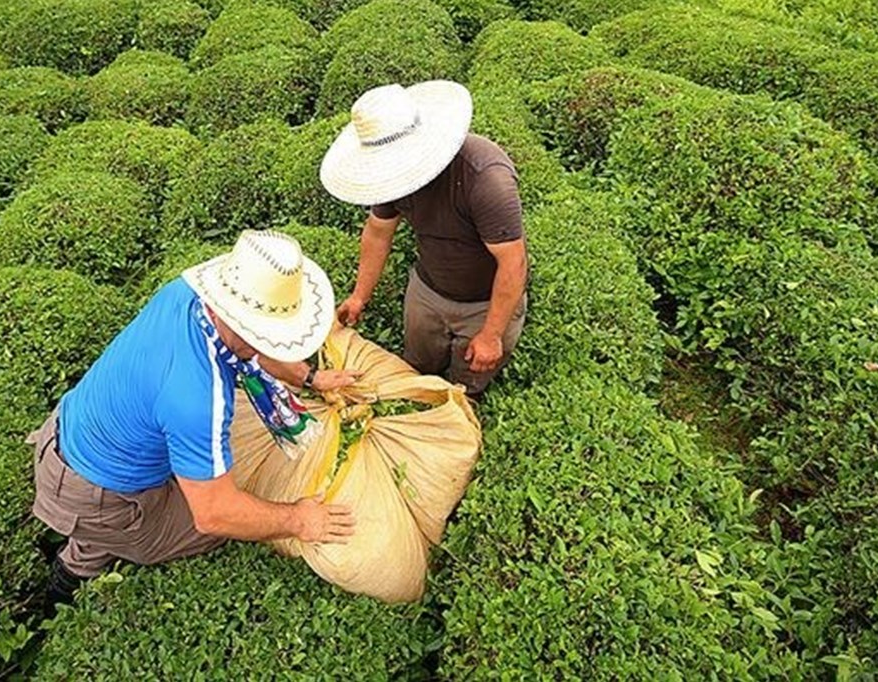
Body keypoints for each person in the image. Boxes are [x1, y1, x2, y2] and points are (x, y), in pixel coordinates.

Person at [27, 230, 359, 609]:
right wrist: (300, 520)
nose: (270, 343)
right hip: (96, 493)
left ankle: (88, 543)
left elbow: (252, 345)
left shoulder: (184, 295)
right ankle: (66, 584)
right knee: (230, 523)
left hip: (72, 431)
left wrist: (309, 378)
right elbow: (215, 515)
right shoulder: (198, 396)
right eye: (268, 334)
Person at [320, 80, 527, 399]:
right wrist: (359, 296)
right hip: (428, 290)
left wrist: (491, 334)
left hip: (484, 302)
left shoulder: (485, 179)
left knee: (464, 385)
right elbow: (377, 232)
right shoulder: (391, 176)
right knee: (414, 368)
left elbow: (513, 262)